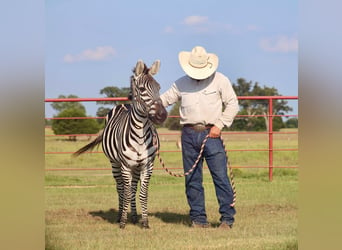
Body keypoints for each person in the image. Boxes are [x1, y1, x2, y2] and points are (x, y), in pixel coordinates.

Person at [160, 46, 239, 229]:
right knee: (192, 179)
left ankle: (227, 219)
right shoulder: (181, 83)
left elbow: (233, 105)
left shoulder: (220, 80)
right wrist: (147, 103)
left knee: (220, 177)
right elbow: (164, 100)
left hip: (212, 133)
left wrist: (219, 125)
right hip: (188, 134)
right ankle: (198, 219)